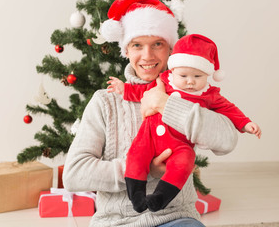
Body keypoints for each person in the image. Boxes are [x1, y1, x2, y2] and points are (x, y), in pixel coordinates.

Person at [63, 0, 238, 227]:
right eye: (137, 45)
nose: (147, 56)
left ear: (170, 50)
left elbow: (228, 140)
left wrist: (167, 104)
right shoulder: (105, 102)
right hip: (116, 222)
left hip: (176, 218)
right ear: (126, 50)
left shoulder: (193, 93)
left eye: (157, 44)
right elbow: (74, 174)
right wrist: (143, 169)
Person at [107, 34, 262, 213]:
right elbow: (141, 91)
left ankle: (160, 198)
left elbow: (228, 109)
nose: (190, 81)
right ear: (173, 71)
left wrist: (245, 123)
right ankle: (137, 196)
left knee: (185, 161)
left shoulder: (208, 94)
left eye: (198, 76)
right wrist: (124, 89)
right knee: (136, 155)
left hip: (179, 145)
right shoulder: (164, 81)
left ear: (207, 75)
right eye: (184, 76)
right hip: (148, 137)